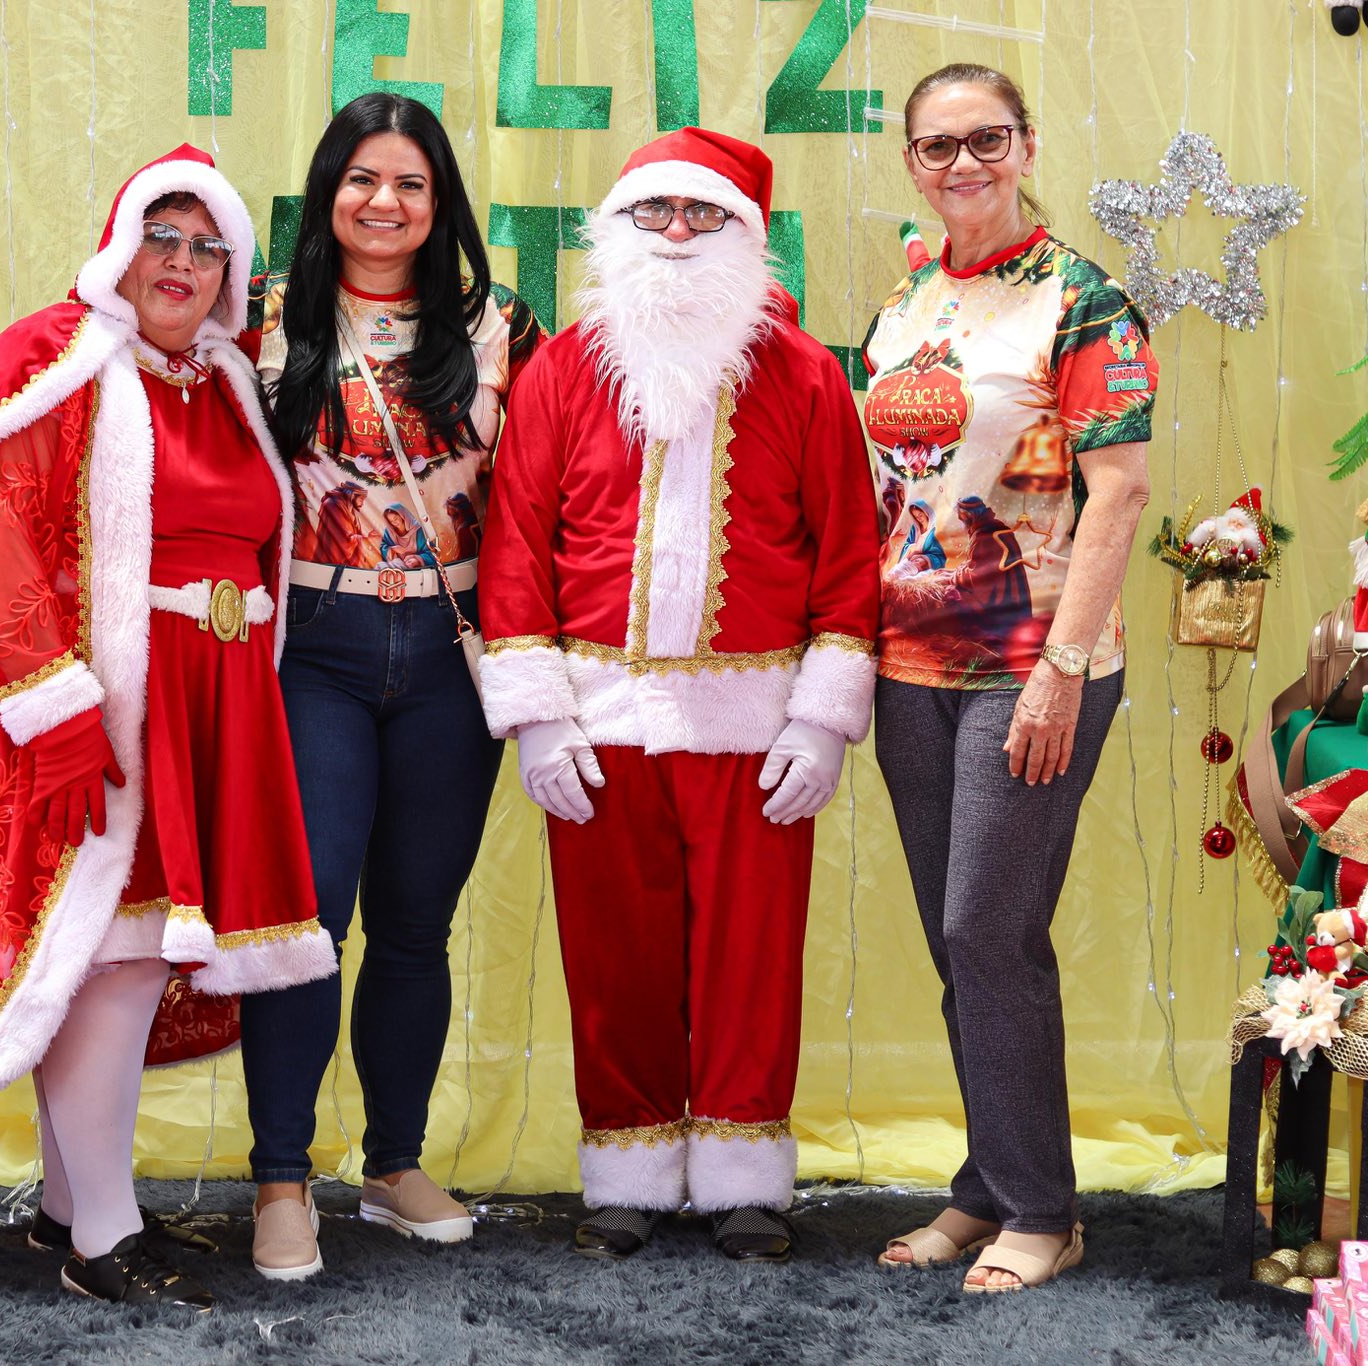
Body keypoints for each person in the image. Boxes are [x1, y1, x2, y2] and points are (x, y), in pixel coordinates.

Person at [0, 145, 336, 1311]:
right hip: (107, 703)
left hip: (210, 700)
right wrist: (52, 699)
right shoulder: (58, 359)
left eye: (207, 248)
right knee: (110, 954)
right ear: (119, 246)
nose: (182, 264)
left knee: (123, 954)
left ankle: (67, 1204)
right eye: (162, 237)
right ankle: (105, 1233)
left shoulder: (226, 380)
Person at [479, 127, 879, 1262]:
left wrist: (821, 719)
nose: (675, 233)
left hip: (758, 725)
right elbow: (516, 540)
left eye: (704, 215)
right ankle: (629, 1166)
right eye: (653, 211)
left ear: (746, 236)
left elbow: (847, 546)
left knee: (753, 956)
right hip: (597, 719)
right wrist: (537, 714)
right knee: (614, 955)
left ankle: (745, 1174)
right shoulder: (562, 369)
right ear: (613, 228)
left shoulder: (804, 374)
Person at [241, 91, 542, 1281]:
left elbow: (544, 487)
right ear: (327, 190)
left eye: (410, 182)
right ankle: (279, 1178)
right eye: (362, 178)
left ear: (440, 201)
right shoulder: (260, 313)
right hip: (311, 644)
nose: (384, 201)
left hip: (447, 649)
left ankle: (392, 1164)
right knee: (307, 921)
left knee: (415, 921)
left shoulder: (496, 322)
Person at [864, 63, 1155, 1293]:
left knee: (986, 925)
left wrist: (1059, 672)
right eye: (936, 146)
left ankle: (1041, 1208)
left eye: (984, 139)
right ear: (911, 163)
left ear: (1025, 146)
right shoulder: (904, 300)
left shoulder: (1081, 300)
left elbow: (1119, 493)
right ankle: (985, 1185)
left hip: (1029, 660)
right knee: (959, 942)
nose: (961, 164)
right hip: (906, 661)